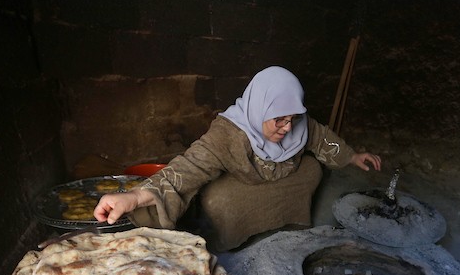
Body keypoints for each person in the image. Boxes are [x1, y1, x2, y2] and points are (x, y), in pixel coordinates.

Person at [94, 66, 381, 251]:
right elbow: (188, 166)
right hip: (244, 184)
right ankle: (230, 243)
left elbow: (321, 137)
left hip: (282, 179)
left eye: (292, 119)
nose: (287, 128)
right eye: (278, 119)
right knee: (218, 201)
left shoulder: (300, 124)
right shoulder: (228, 133)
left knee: (312, 169)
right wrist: (135, 197)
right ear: (259, 108)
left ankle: (289, 222)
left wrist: (353, 156)